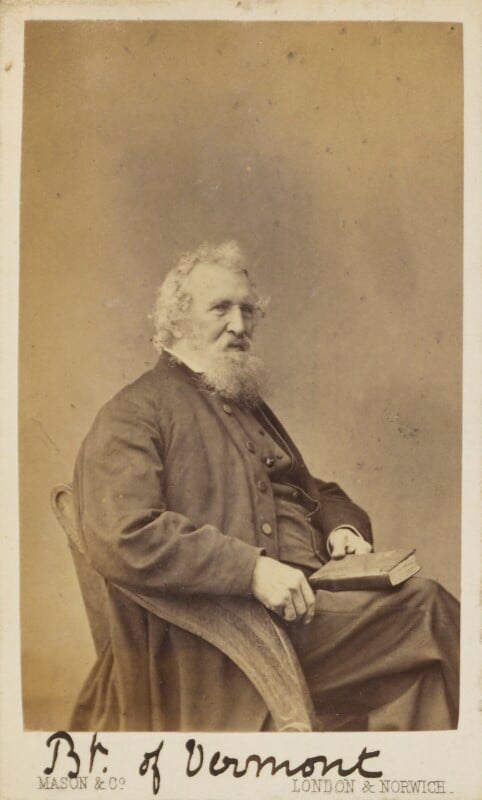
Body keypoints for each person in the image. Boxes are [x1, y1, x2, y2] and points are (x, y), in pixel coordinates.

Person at [71, 241, 459, 732]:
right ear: (177, 319)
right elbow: (124, 532)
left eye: (247, 310)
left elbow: (316, 492)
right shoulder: (134, 410)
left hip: (303, 615)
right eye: (220, 308)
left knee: (421, 668)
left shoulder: (243, 404)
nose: (239, 325)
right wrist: (250, 569)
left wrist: (341, 529)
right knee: (426, 610)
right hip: (223, 641)